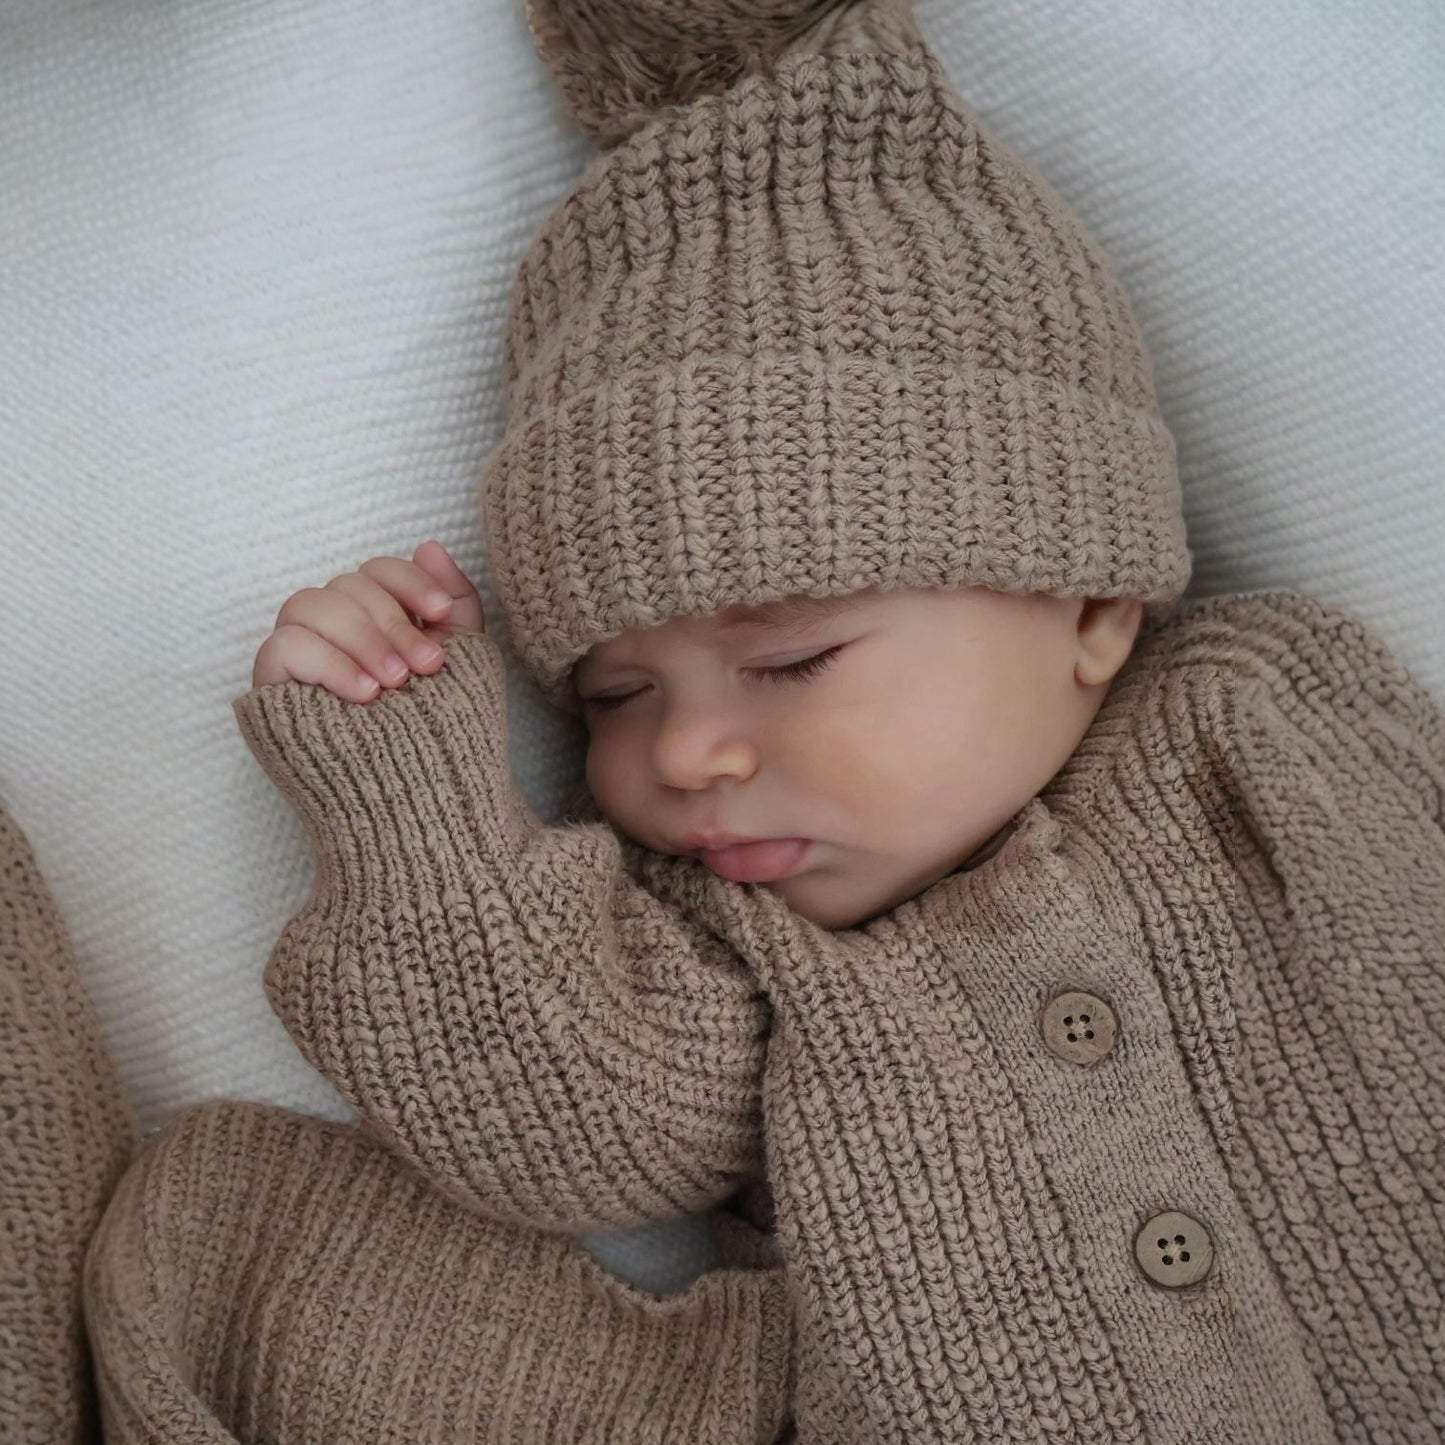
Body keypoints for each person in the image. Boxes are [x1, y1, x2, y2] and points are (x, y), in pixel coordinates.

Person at [5, 0, 1442, 1439]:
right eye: (614, 696)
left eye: (793, 660)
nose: (685, 754)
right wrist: (407, 793)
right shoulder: (733, 938)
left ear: (1089, 605)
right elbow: (558, 1126)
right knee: (233, 1250)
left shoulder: (1255, 719)